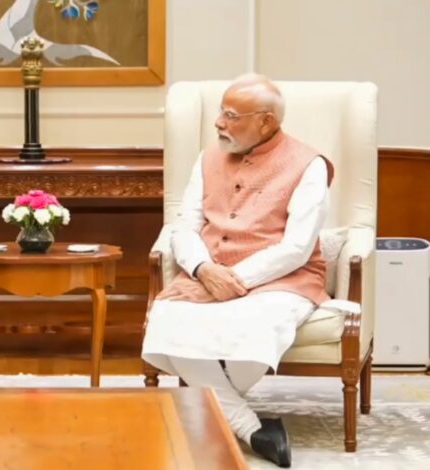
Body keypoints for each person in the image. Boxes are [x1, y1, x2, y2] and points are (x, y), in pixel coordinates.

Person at [142, 74, 334, 468]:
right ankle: (252, 429)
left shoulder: (309, 165)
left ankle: (212, 413)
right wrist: (202, 269)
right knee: (167, 316)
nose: (218, 123)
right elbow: (185, 225)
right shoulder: (207, 158)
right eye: (221, 113)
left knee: (253, 326)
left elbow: (296, 248)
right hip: (206, 273)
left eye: (231, 116)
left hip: (282, 279)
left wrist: (231, 282)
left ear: (266, 122)